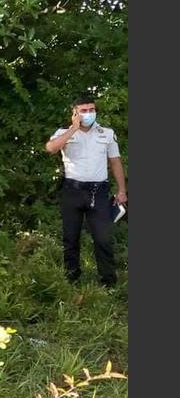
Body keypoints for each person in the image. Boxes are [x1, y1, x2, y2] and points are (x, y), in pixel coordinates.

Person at [45, 97, 126, 287]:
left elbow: (115, 162)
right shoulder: (64, 133)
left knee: (103, 238)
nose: (88, 113)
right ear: (74, 112)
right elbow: (50, 148)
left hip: (98, 192)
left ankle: (108, 282)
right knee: (71, 237)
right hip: (72, 190)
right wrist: (73, 128)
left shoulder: (106, 134)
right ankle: (72, 279)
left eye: (91, 109)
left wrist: (122, 190)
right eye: (83, 110)